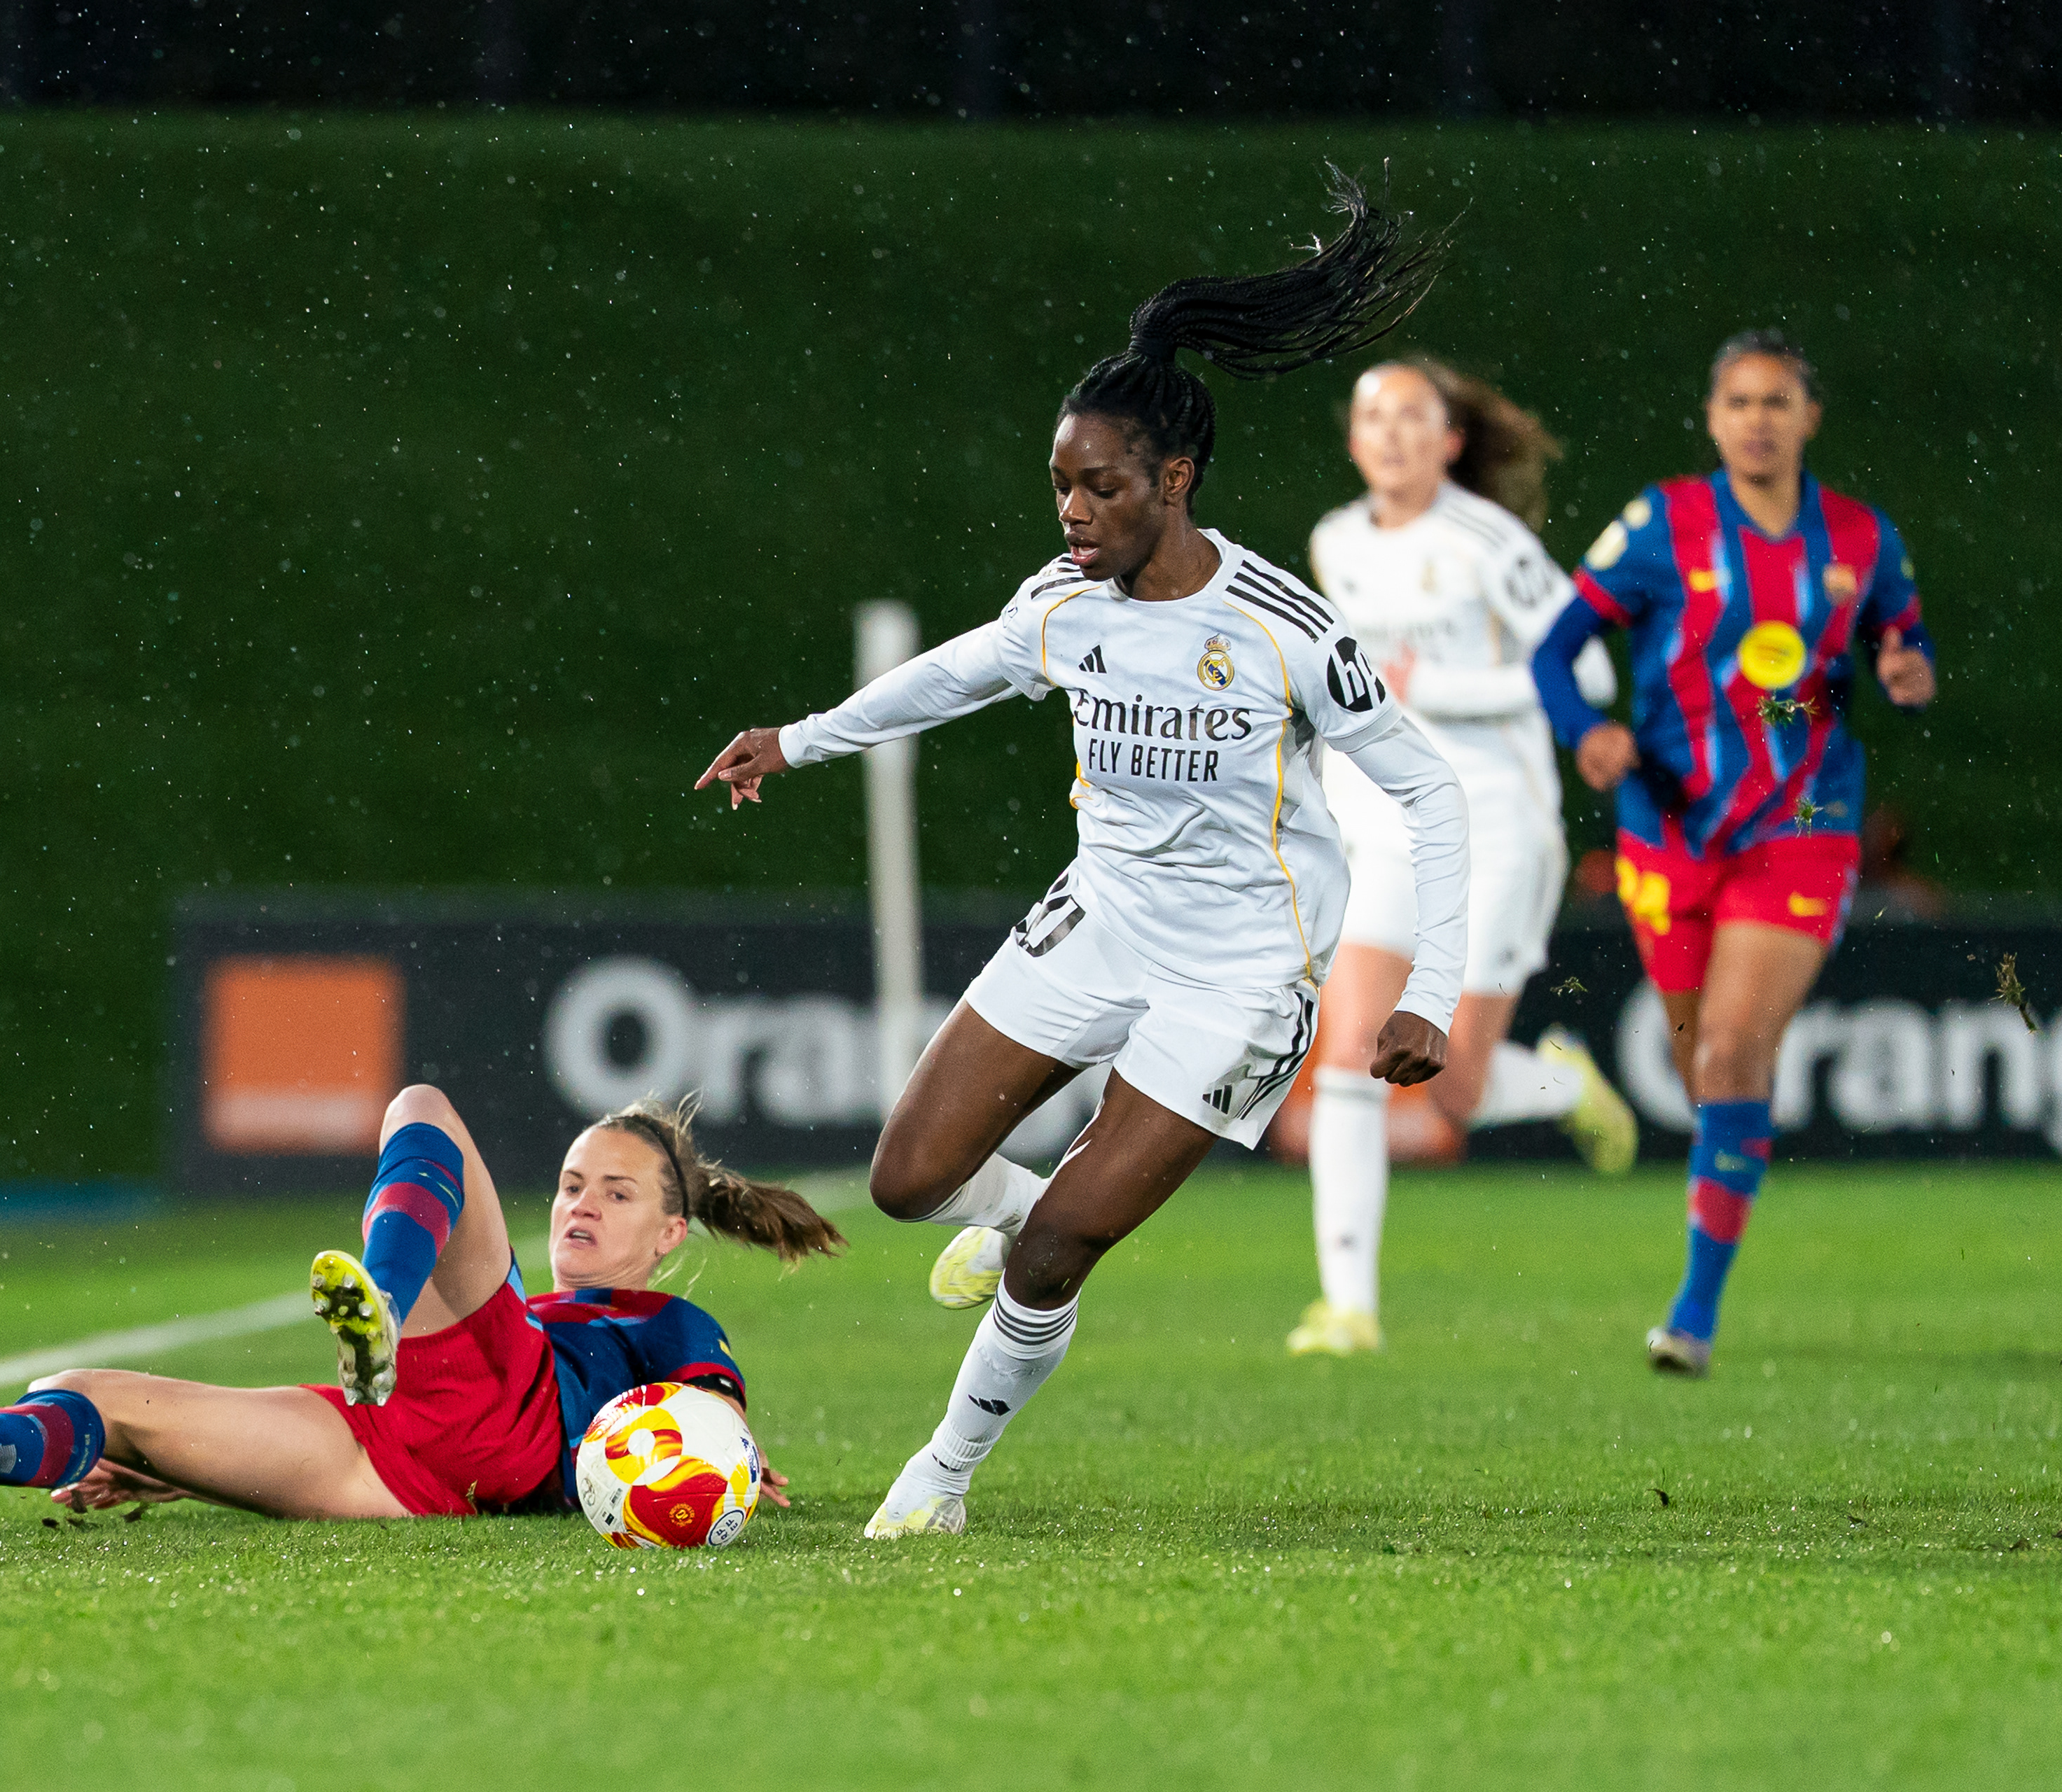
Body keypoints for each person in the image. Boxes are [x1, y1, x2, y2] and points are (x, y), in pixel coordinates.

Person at [695, 167, 1470, 1537]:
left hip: (1243, 973)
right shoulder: (1066, 600)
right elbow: (956, 672)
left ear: (1174, 481)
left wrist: (1431, 992)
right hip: (1102, 919)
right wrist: (798, 740)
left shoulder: (1285, 629)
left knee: (1055, 1246)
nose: (1071, 512)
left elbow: (1433, 793)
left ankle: (940, 1477)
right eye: (1059, 484)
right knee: (907, 1178)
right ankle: (1021, 1221)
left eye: (1099, 487)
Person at [0, 1086, 841, 1520]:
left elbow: (713, 1418)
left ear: (669, 1235)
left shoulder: (657, 1320)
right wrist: (171, 1475)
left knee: (422, 1107)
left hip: (510, 1414)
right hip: (393, 1466)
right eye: (571, 1185)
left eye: (616, 1194)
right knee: (90, 1394)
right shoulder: (539, 1309)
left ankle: (379, 1304)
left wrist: (734, 1462)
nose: (582, 1207)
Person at [1531, 328, 1937, 1378]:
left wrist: (1908, 670)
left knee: (1726, 1053)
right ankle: (1730, 1166)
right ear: (1713, 420)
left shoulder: (1859, 538)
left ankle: (1693, 1318)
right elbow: (1555, 650)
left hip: (1803, 825)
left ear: (1810, 417)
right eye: (1740, 402)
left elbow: (1904, 637)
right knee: (1702, 1074)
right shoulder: (1663, 524)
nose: (1758, 420)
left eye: (1777, 401)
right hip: (1667, 830)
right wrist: (1588, 732)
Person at [1272, 358, 1640, 1358]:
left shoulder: (1490, 543)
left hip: (1495, 823)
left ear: (1450, 442)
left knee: (1450, 1090)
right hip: (1389, 822)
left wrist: (1438, 687)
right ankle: (1348, 1307)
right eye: (1373, 418)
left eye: (1413, 418)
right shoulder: (1337, 542)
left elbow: (1589, 670)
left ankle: (1563, 1084)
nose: (1392, 435)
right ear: (1354, 441)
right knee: (1353, 1054)